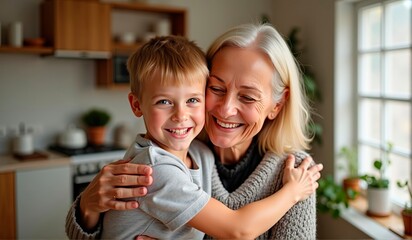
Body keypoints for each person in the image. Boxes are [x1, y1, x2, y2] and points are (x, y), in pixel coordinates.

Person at [66, 23, 323, 239]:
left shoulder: (297, 174)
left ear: (277, 105)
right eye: (217, 89)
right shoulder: (166, 159)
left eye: (247, 96)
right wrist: (87, 208)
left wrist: (292, 190)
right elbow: (237, 229)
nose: (225, 110)